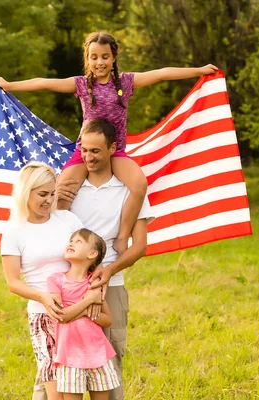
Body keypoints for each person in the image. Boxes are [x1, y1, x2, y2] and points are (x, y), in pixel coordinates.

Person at [0, 30, 216, 255]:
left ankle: (122, 236)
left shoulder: (125, 82)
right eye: (94, 57)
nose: (99, 62)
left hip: (114, 151)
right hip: (85, 150)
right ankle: (61, 241)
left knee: (139, 185)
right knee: (61, 192)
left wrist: (199, 71)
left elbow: (161, 73)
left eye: (105, 57)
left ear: (113, 58)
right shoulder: (81, 85)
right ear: (87, 59)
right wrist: (10, 85)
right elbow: (45, 83)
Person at [57, 118, 153, 400]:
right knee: (63, 363)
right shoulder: (70, 190)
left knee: (110, 361)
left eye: (96, 151)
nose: (88, 157)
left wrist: (110, 270)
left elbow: (141, 246)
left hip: (110, 287)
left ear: (112, 149)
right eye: (84, 150)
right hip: (70, 289)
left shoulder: (129, 191)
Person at [0, 161, 85, 400]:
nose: (49, 200)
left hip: (77, 311)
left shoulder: (68, 220)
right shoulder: (14, 231)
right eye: (42, 194)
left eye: (52, 193)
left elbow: (89, 258)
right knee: (55, 390)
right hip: (42, 316)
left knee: (76, 386)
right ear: (26, 192)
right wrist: (43, 297)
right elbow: (13, 282)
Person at [47, 228, 120, 399]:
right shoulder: (56, 281)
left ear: (92, 254)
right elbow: (61, 316)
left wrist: (81, 310)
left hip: (98, 355)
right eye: (71, 240)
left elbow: (107, 320)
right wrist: (87, 303)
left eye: (79, 241)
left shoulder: (94, 284)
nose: (71, 243)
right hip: (69, 357)